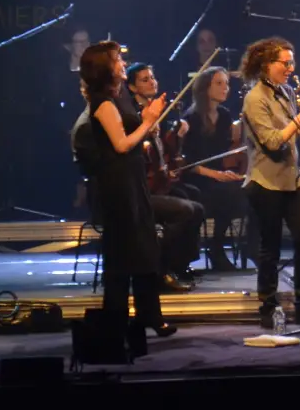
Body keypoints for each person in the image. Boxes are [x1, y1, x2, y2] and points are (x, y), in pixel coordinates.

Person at [71, 41, 175, 337]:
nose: (121, 63)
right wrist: (150, 121)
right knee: (123, 255)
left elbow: (132, 132)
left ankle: (149, 316)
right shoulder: (103, 103)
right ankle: (116, 321)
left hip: (132, 179)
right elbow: (121, 144)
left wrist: (147, 122)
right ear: (105, 67)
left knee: (143, 249)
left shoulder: (120, 99)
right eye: (117, 59)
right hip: (117, 185)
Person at [240, 36, 300, 326]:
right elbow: (273, 141)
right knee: (270, 248)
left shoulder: (285, 91)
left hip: (293, 178)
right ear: (266, 65)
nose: (290, 67)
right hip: (265, 182)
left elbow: (291, 135)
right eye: (284, 63)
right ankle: (268, 306)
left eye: (292, 62)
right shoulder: (254, 99)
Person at [123, 63, 206, 288]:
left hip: (159, 182)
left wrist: (176, 136)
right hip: (143, 189)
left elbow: (163, 152)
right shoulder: (133, 116)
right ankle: (159, 267)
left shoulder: (154, 111)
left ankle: (180, 263)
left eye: (152, 77)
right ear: (131, 87)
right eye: (144, 79)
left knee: (196, 200)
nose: (152, 82)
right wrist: (146, 129)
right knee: (185, 210)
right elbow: (136, 151)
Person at [180, 66, 246, 272]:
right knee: (227, 193)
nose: (225, 88)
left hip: (218, 176)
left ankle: (238, 246)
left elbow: (225, 152)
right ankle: (216, 248)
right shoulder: (191, 117)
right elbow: (187, 162)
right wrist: (215, 174)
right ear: (205, 88)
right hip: (198, 178)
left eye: (227, 83)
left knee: (245, 189)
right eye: (219, 83)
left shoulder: (225, 115)